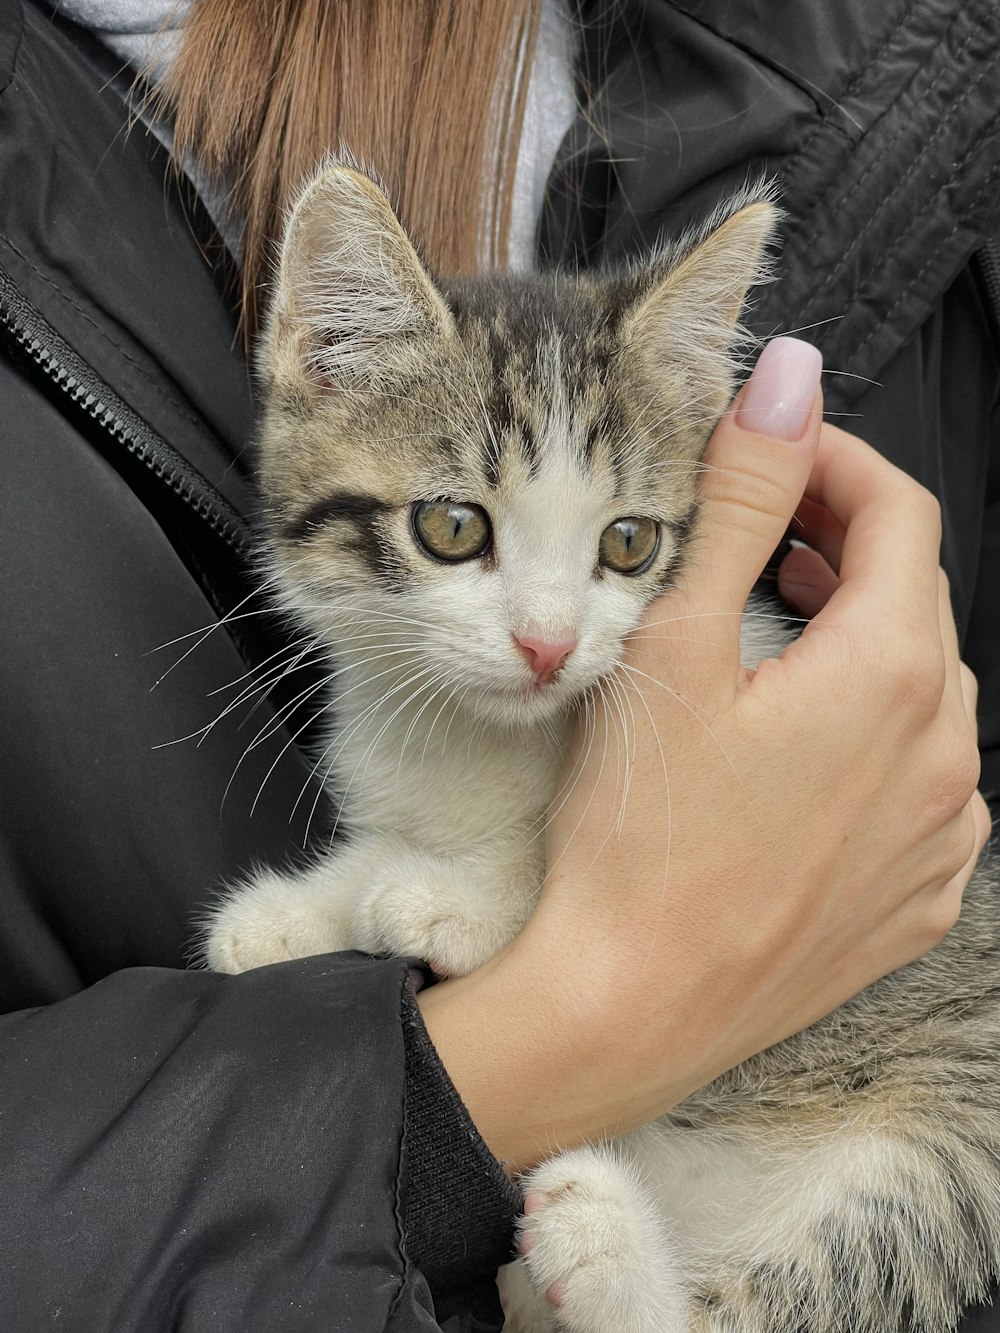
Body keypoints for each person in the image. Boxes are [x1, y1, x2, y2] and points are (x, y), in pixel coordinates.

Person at [0, 2, 996, 1330]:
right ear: (322, 362)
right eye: (458, 528)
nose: (547, 632)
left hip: (877, 1102)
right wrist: (550, 1027)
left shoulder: (885, 38)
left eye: (621, 544)